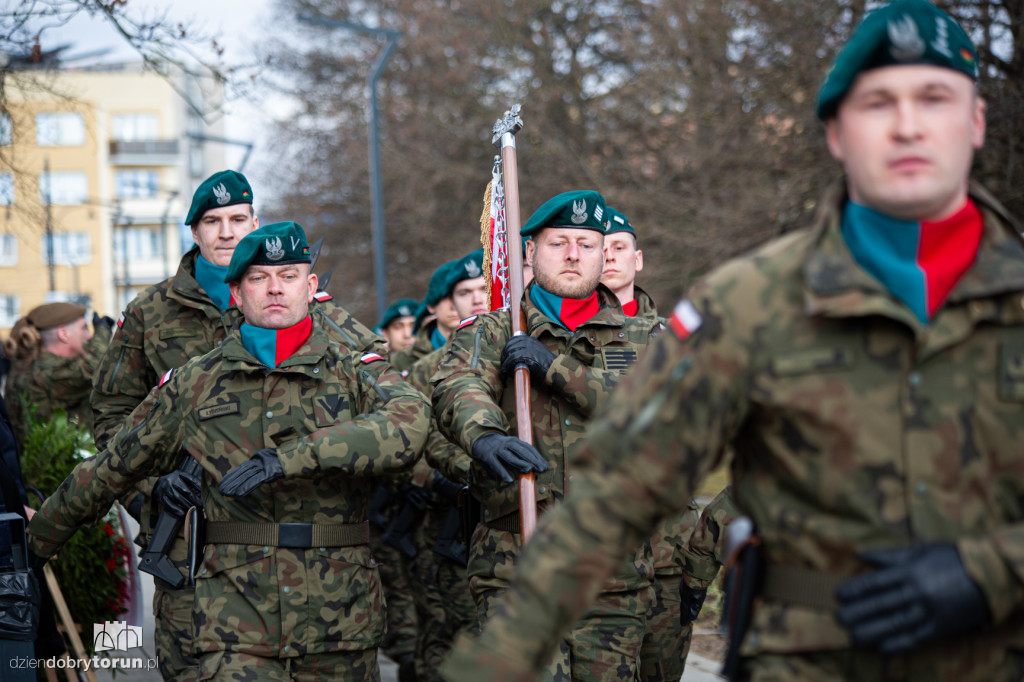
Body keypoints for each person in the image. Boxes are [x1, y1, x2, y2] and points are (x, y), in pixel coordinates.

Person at [438, 2, 1024, 681]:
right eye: (876, 103)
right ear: (835, 132)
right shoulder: (749, 303)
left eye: (935, 96)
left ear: (977, 120)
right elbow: (615, 496)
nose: (908, 125)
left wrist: (987, 569)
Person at [27, 221, 430, 680]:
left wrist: (290, 457)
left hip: (341, 621)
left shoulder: (352, 368)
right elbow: (110, 468)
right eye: (258, 278)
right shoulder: (197, 381)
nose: (275, 289)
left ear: (311, 286)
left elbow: (410, 423)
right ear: (236, 293)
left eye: (289, 276)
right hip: (234, 624)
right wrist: (31, 546)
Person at [89, 170, 384, 681]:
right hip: (186, 536)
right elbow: (111, 419)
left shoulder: (301, 301)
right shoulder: (149, 313)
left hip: (286, 535)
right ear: (195, 231)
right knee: (190, 662)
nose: (227, 232)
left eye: (238, 219)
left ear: (254, 222)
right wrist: (152, 491)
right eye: (213, 221)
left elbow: (381, 381)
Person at [432, 190, 661, 681]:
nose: (574, 254)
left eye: (586, 243)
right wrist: (485, 435)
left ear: (605, 254)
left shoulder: (647, 337)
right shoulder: (490, 331)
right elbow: (457, 387)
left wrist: (556, 369)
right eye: (559, 242)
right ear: (530, 254)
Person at [403, 249, 488, 681]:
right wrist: (463, 472)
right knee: (455, 629)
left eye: (483, 288)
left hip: (517, 523)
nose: (476, 299)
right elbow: (413, 441)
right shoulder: (427, 369)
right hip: (452, 522)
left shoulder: (522, 354)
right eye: (464, 292)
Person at [3, 302, 111, 440]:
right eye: (84, 328)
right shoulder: (44, 371)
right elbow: (95, 367)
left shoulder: (35, 364)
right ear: (63, 334)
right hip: (50, 459)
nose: (89, 337)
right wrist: (103, 330)